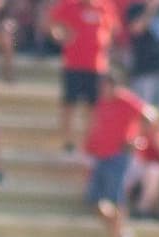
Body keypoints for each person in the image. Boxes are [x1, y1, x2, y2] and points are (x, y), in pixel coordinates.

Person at [83, 70, 154, 237]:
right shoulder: (101, 102)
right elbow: (96, 128)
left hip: (117, 156)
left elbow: (150, 117)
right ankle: (121, 232)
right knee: (96, 201)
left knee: (115, 199)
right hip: (100, 157)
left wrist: (138, 139)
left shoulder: (125, 100)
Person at [47, 0, 118, 151]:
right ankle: (67, 141)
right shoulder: (69, 5)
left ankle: (88, 141)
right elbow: (51, 22)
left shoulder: (104, 7)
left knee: (92, 106)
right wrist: (60, 36)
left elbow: (112, 28)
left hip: (97, 66)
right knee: (69, 104)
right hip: (73, 63)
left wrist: (105, 42)